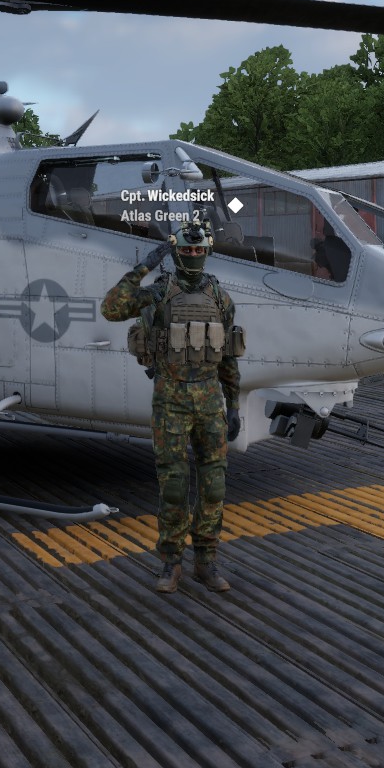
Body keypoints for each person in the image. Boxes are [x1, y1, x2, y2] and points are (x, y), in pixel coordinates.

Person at [102, 217, 244, 594]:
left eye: (198, 249)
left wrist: (233, 405)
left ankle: (206, 561)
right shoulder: (159, 291)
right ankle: (171, 562)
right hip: (171, 399)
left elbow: (229, 356)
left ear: (206, 251)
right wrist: (145, 265)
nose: (193, 254)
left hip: (210, 400)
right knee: (175, 486)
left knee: (214, 486)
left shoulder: (220, 298)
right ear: (176, 253)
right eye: (186, 249)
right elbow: (111, 308)